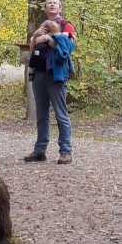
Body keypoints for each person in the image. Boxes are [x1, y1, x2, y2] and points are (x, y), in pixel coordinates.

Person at [23, 17, 76, 164]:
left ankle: (65, 151)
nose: (52, 5)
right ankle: (40, 150)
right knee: (41, 114)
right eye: (49, 3)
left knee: (61, 114)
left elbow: (65, 53)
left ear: (59, 7)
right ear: (45, 8)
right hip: (39, 74)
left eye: (55, 3)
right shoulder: (42, 27)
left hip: (56, 76)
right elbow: (32, 51)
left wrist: (49, 38)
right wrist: (35, 37)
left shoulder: (66, 28)